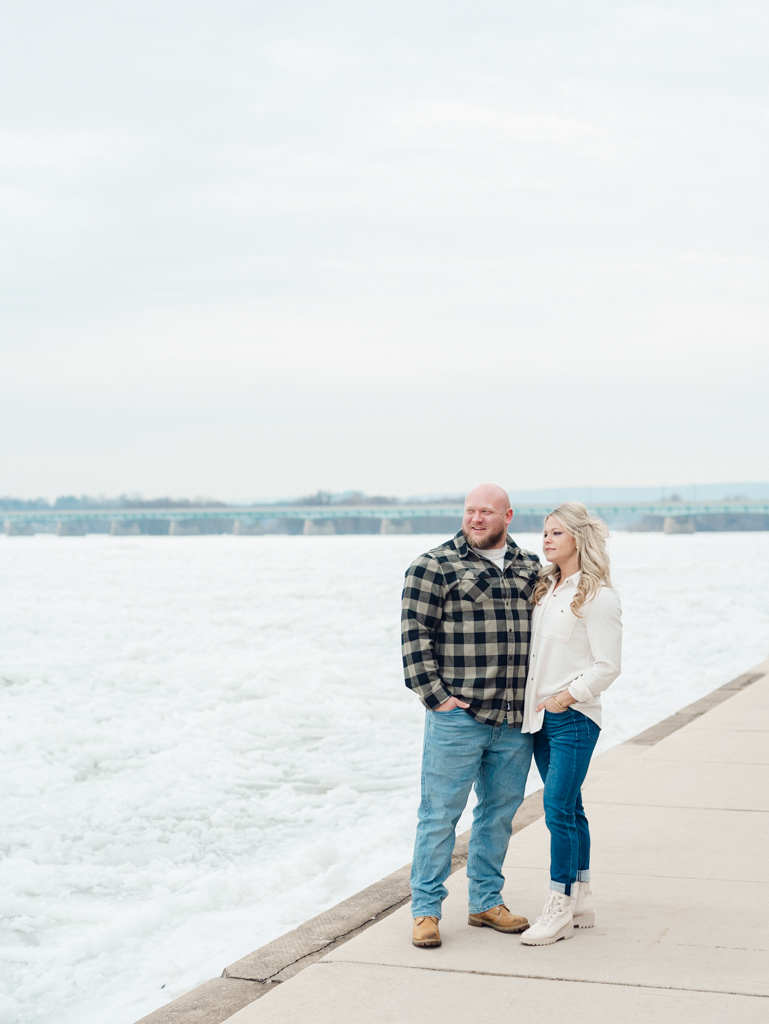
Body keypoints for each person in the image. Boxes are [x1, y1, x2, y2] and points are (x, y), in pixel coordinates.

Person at [401, 483, 541, 948]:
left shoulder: (530, 567)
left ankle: (485, 902)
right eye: (470, 511)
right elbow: (414, 637)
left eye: (486, 511)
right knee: (439, 815)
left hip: (514, 719)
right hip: (457, 717)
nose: (476, 518)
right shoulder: (434, 565)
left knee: (499, 814)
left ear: (508, 516)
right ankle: (425, 911)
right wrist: (436, 697)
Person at [519, 502, 622, 946]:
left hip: (574, 718)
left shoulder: (598, 597)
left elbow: (608, 666)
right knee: (571, 807)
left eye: (556, 533)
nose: (546, 540)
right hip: (541, 720)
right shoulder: (547, 591)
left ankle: (558, 904)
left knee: (556, 809)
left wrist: (564, 698)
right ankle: (581, 897)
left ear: (578, 539)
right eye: (545, 533)